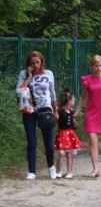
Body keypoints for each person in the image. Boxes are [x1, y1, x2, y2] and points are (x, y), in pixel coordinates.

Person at [16, 51, 59, 180]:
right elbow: (19, 91)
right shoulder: (23, 74)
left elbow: (52, 93)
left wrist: (56, 110)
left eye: (37, 62)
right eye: (33, 62)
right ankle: (32, 171)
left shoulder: (49, 74)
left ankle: (51, 167)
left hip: (45, 109)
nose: (35, 65)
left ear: (41, 62)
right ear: (29, 63)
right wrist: (29, 77)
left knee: (48, 142)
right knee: (32, 142)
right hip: (29, 111)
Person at [54, 89, 82, 179]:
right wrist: (56, 114)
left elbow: (73, 126)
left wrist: (75, 124)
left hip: (70, 134)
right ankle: (58, 171)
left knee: (69, 153)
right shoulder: (61, 111)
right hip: (62, 134)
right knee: (61, 153)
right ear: (69, 101)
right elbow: (57, 120)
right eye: (73, 100)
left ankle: (69, 172)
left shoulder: (71, 113)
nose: (74, 102)